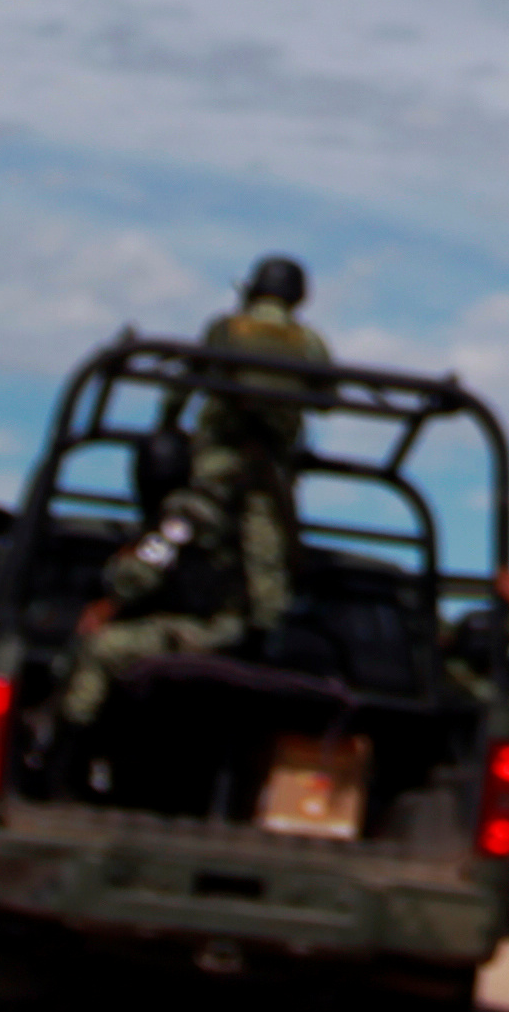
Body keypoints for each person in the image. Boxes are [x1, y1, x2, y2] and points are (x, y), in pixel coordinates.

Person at [53, 258, 332, 738]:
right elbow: (326, 397)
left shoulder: (188, 512)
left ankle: (66, 749)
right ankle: (263, 641)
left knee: (96, 651)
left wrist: (112, 598)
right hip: (271, 485)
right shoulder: (311, 345)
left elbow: (152, 560)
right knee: (266, 568)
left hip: (216, 506)